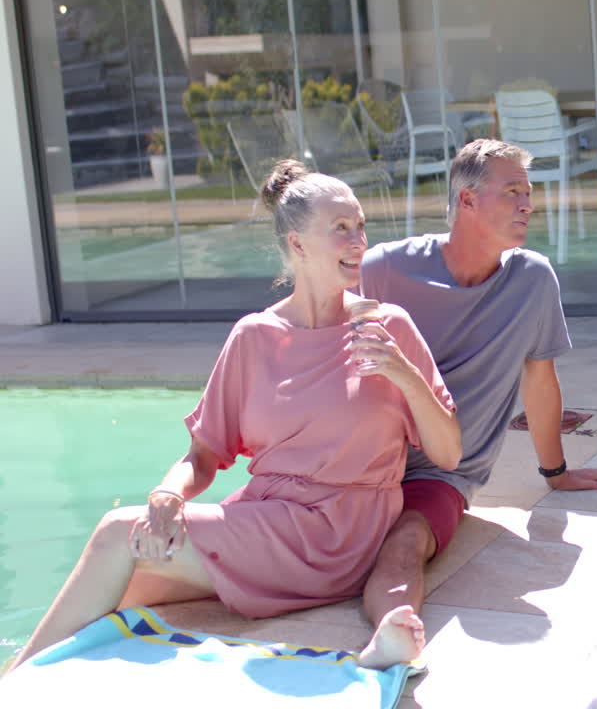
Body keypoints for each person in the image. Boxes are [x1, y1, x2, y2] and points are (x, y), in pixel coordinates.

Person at [5, 160, 462, 675]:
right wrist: (168, 495)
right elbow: (204, 454)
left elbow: (448, 453)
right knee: (125, 589)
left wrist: (404, 376)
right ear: (297, 243)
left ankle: (15, 680)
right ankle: (51, 681)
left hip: (342, 534)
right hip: (267, 518)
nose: (359, 240)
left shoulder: (389, 325)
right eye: (341, 229)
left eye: (360, 226)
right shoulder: (253, 336)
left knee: (116, 532)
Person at [357, 138, 597, 659]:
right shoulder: (385, 268)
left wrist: (555, 472)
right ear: (467, 200)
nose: (528, 204)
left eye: (529, 192)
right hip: (364, 455)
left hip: (441, 474)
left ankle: (393, 635)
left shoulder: (532, 279)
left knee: (406, 541)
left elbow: (540, 381)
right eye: (513, 191)